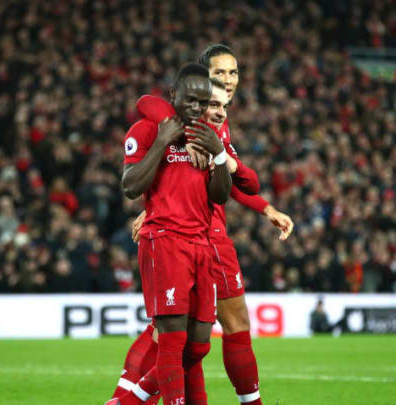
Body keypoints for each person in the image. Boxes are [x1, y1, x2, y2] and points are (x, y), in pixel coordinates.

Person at [110, 44, 294, 405]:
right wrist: (173, 132)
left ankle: (126, 399)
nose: (228, 80)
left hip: (203, 230)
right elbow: (148, 101)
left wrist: (263, 205)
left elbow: (244, 184)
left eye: (234, 72)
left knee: (189, 339)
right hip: (192, 236)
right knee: (184, 334)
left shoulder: (216, 126)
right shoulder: (184, 117)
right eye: (219, 74)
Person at [114, 63, 232, 405]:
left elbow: (221, 196)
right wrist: (164, 140)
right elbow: (130, 186)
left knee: (199, 344)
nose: (196, 108)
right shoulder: (147, 130)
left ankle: (127, 402)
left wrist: (219, 154)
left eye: (202, 102)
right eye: (190, 100)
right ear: (173, 96)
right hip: (164, 241)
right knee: (171, 340)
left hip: (202, 244)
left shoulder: (209, 135)